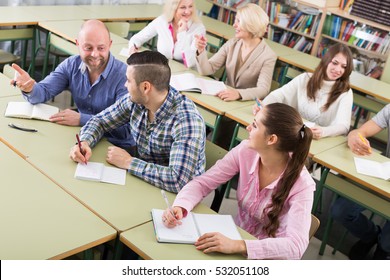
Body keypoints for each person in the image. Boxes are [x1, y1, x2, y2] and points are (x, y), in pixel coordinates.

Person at [162, 103, 315, 259]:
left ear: (271, 139)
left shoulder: (302, 184)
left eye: (255, 125)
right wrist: (181, 206)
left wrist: (239, 245)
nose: (248, 127)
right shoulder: (245, 151)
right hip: (233, 238)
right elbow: (203, 183)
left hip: (267, 256)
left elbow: (296, 246)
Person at [70, 50, 206, 193]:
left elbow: (178, 181)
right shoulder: (136, 101)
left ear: (145, 87)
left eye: (128, 80)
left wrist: (129, 162)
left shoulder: (186, 121)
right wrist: (84, 142)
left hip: (177, 199)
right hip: (143, 180)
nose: (125, 85)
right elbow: (100, 121)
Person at [11, 19, 135, 149]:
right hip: (83, 137)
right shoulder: (71, 65)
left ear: (109, 45)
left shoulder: (125, 77)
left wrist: (82, 119)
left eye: (101, 48)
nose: (94, 54)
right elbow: (43, 92)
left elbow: (127, 130)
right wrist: (30, 89)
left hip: (115, 146)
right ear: (77, 44)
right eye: (88, 48)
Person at [331, 104, 390, 260]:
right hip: (384, 174)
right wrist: (354, 137)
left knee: (386, 243)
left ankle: (383, 248)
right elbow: (360, 131)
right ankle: (371, 235)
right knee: (341, 211)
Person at [261, 43, 353, 140]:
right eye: (334, 63)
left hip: (318, 141)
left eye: (344, 67)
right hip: (293, 134)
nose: (338, 69)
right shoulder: (305, 78)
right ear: (326, 61)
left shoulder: (345, 92)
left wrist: (323, 131)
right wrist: (264, 106)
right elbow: (279, 94)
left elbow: (344, 126)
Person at [194, 3, 277, 101]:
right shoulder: (232, 43)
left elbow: (263, 89)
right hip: (225, 98)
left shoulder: (268, 56)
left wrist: (238, 94)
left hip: (245, 103)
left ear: (250, 24)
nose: (234, 25)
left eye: (238, 21)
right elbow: (207, 70)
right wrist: (201, 50)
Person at [128, 0, 205, 68]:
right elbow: (137, 38)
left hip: (186, 75)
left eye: (190, 6)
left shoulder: (198, 28)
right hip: (163, 70)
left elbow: (189, 63)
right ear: (173, 9)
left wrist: (182, 33)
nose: (188, 11)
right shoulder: (162, 21)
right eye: (183, 7)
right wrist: (133, 48)